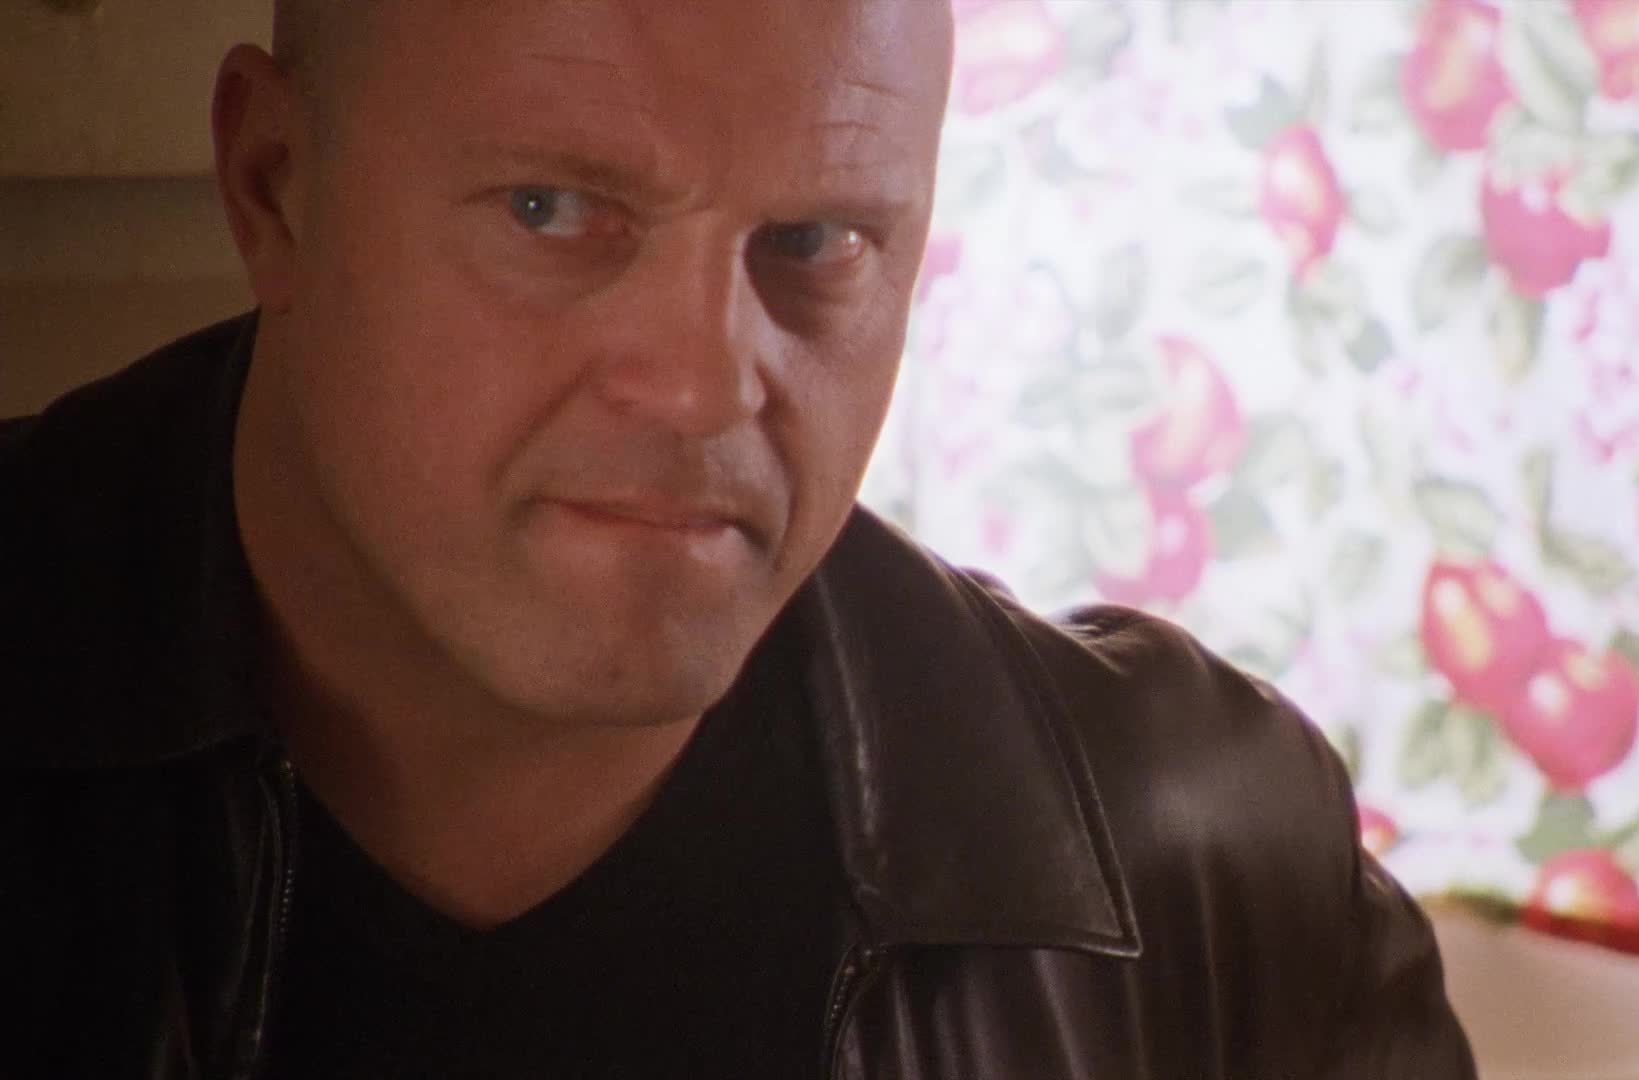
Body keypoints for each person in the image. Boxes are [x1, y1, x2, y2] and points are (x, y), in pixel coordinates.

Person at [0, 1, 1477, 1076]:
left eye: (817, 243)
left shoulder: (1212, 883)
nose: (706, 385)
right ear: (274, 185)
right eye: (551, 209)